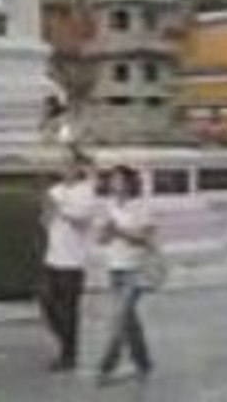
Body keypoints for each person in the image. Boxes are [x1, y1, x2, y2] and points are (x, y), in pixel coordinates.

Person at [97, 165, 155, 386]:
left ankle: (106, 366)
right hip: (115, 267)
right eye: (113, 180)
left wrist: (120, 231)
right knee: (129, 321)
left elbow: (145, 238)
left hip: (135, 269)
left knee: (119, 319)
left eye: (119, 179)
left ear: (130, 183)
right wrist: (106, 231)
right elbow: (101, 240)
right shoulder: (108, 206)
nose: (115, 183)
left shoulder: (141, 207)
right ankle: (143, 362)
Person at [41, 154, 97, 372]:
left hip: (73, 261)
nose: (65, 169)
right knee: (47, 303)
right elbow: (45, 221)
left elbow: (82, 221)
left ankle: (68, 355)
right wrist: (47, 211)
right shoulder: (54, 190)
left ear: (77, 168)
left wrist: (61, 210)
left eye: (70, 166)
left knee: (69, 310)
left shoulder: (85, 191)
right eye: (62, 166)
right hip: (52, 257)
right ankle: (66, 343)